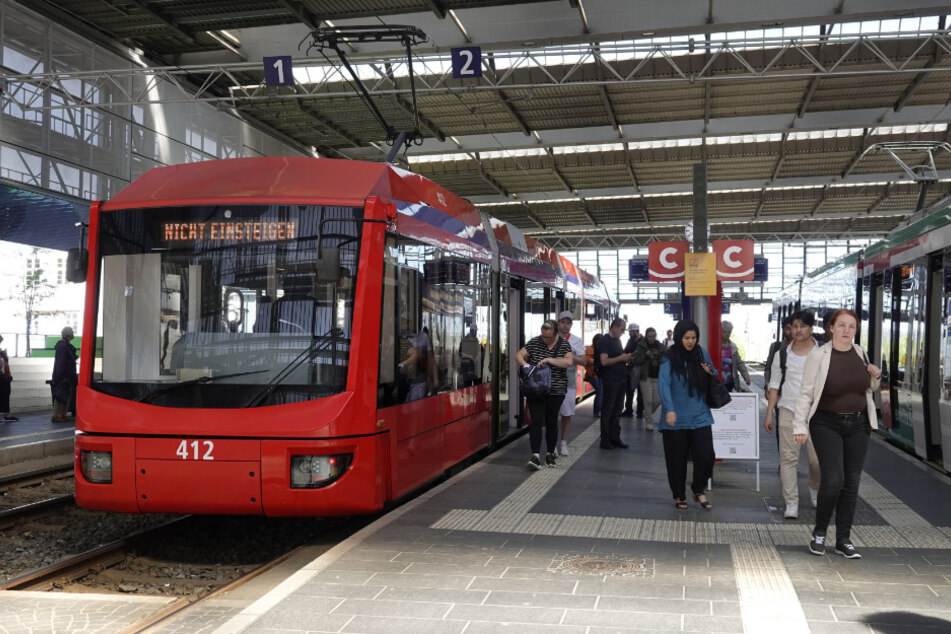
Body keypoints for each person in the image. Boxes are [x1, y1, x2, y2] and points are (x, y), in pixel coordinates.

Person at [793, 309, 881, 559]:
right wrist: (799, 426)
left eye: (851, 327)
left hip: (858, 425)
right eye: (841, 325)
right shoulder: (818, 356)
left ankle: (843, 539)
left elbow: (868, 387)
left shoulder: (861, 353)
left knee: (851, 483)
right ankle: (819, 533)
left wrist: (875, 376)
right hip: (826, 424)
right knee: (833, 480)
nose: (846, 331)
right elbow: (806, 394)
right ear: (831, 328)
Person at [764, 310, 820, 519]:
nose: (798, 330)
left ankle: (814, 488)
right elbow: (774, 384)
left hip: (816, 413)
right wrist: (769, 413)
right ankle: (791, 503)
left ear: (811, 328)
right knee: (788, 460)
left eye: (803, 326)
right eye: (795, 326)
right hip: (787, 409)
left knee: (817, 460)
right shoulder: (783, 354)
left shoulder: (822, 353)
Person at [658, 319, 718, 510]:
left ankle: (698, 489)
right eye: (686, 338)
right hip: (675, 418)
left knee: (707, 455)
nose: (691, 341)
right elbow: (664, 384)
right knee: (676, 460)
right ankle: (679, 495)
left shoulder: (701, 353)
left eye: (693, 338)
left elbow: (714, 372)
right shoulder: (669, 357)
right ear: (678, 337)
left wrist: (709, 371)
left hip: (700, 415)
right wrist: (669, 409)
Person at [515, 320, 574, 470]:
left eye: (548, 337)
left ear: (555, 334)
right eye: (543, 336)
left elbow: (568, 362)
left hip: (556, 390)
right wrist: (526, 365)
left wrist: (549, 360)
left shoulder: (563, 344)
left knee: (551, 421)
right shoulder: (534, 342)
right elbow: (519, 355)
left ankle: (549, 454)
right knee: (536, 421)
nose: (544, 339)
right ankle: (535, 456)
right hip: (536, 389)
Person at [598, 318, 633, 449]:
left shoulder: (617, 341)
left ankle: (615, 437)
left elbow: (618, 357)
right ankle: (605, 440)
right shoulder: (605, 341)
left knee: (618, 409)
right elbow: (604, 361)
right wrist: (621, 358)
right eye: (622, 329)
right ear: (614, 328)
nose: (623, 332)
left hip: (621, 379)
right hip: (611, 380)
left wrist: (626, 358)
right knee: (608, 410)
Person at [556, 311, 586, 457]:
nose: (565, 325)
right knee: (551, 415)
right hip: (552, 382)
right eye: (563, 322)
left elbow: (584, 360)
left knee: (566, 414)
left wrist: (570, 356)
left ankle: (563, 443)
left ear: (571, 325)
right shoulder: (550, 338)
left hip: (568, 382)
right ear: (558, 323)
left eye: (568, 323)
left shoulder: (575, 341)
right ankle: (552, 444)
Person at [632, 327, 666, 431]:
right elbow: (635, 361)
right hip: (645, 377)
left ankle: (647, 413)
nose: (651, 338)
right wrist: (646, 355)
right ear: (646, 336)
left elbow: (665, 360)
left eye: (653, 336)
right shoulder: (641, 346)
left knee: (658, 400)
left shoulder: (661, 347)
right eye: (650, 336)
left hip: (658, 377)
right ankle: (649, 423)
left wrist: (659, 355)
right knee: (648, 400)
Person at [51, 326, 78, 423]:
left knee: (64, 395)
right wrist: (59, 376)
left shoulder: (65, 346)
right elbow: (61, 361)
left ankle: (62, 414)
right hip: (64, 375)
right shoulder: (63, 346)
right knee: (60, 396)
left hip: (65, 374)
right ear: (69, 335)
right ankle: (57, 415)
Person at [720, 320, 751, 392]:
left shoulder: (733, 347)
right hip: (718, 383)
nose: (727, 334)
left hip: (731, 382)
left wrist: (746, 376)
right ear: (720, 331)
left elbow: (740, 363)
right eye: (725, 331)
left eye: (729, 332)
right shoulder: (715, 346)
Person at [763, 316, 793, 387]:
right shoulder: (775, 347)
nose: (791, 332)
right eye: (788, 328)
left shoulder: (803, 349)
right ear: (783, 329)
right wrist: (767, 385)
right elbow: (768, 368)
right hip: (778, 389)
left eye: (793, 328)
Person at [622, 323, 644, 417]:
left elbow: (641, 354)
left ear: (635, 331)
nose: (629, 333)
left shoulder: (643, 341)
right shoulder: (630, 340)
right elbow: (626, 350)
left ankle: (639, 411)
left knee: (640, 392)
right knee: (629, 390)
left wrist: (631, 355)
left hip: (640, 369)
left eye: (631, 331)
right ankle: (628, 410)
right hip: (630, 369)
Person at [584, 333, 604, 417]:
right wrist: (596, 361)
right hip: (592, 374)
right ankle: (597, 411)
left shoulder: (602, 349)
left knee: (600, 391)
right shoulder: (590, 349)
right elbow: (586, 360)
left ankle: (598, 410)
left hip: (599, 374)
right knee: (600, 391)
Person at [0, 335, 17, 421]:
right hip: (2, 377)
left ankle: (7, 414)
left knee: (5, 396)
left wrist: (9, 375)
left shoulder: (2, 352)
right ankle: (7, 414)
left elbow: (5, 365)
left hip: (5, 377)